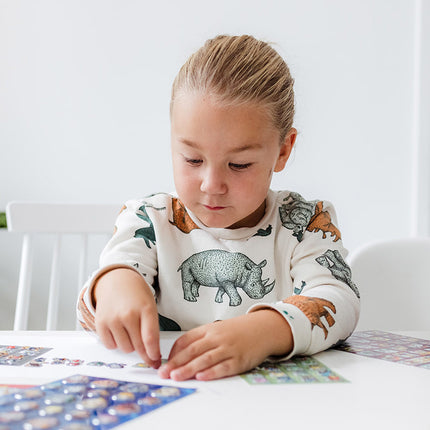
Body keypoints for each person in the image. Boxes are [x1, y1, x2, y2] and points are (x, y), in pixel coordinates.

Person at [77, 34, 360, 381]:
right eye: (192, 159)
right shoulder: (148, 219)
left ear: (283, 150)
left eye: (239, 164)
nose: (211, 185)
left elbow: (339, 300)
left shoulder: (304, 224)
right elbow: (111, 277)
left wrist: (264, 331)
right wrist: (114, 284)